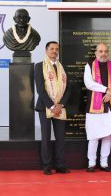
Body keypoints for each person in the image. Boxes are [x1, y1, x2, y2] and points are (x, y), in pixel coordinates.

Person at [84, 43, 111, 172]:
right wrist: (106, 90)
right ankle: (91, 163)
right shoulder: (89, 65)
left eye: (106, 51)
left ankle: (104, 163)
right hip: (94, 107)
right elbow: (89, 84)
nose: (103, 53)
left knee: (107, 136)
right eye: (100, 51)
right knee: (94, 136)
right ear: (96, 53)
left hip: (110, 106)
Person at [34, 41, 71, 175]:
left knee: (61, 138)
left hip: (60, 107)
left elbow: (68, 89)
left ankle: (60, 165)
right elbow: (40, 89)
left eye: (56, 49)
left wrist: (61, 105)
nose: (54, 51)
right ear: (46, 50)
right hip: (45, 107)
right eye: (51, 49)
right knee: (46, 137)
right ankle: (47, 166)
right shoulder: (39, 66)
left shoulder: (62, 67)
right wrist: (52, 105)